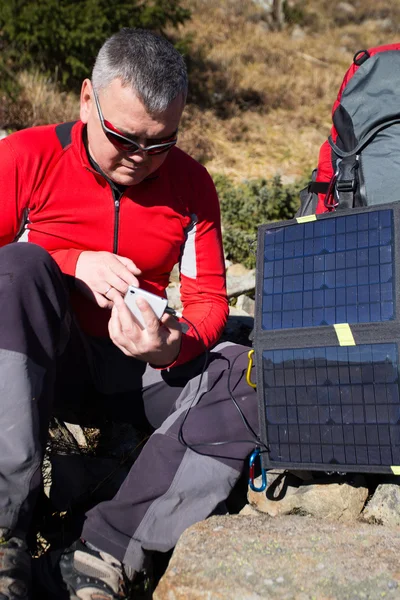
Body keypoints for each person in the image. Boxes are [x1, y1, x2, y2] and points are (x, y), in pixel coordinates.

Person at [0, 28, 259, 599]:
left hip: (137, 373)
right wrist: (66, 262)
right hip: (38, 366)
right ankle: (5, 535)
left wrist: (176, 345)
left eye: (161, 142)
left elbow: (212, 302)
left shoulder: (191, 184)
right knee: (17, 268)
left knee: (249, 377)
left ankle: (102, 551)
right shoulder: (26, 157)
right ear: (87, 99)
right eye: (124, 137)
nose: (141, 160)